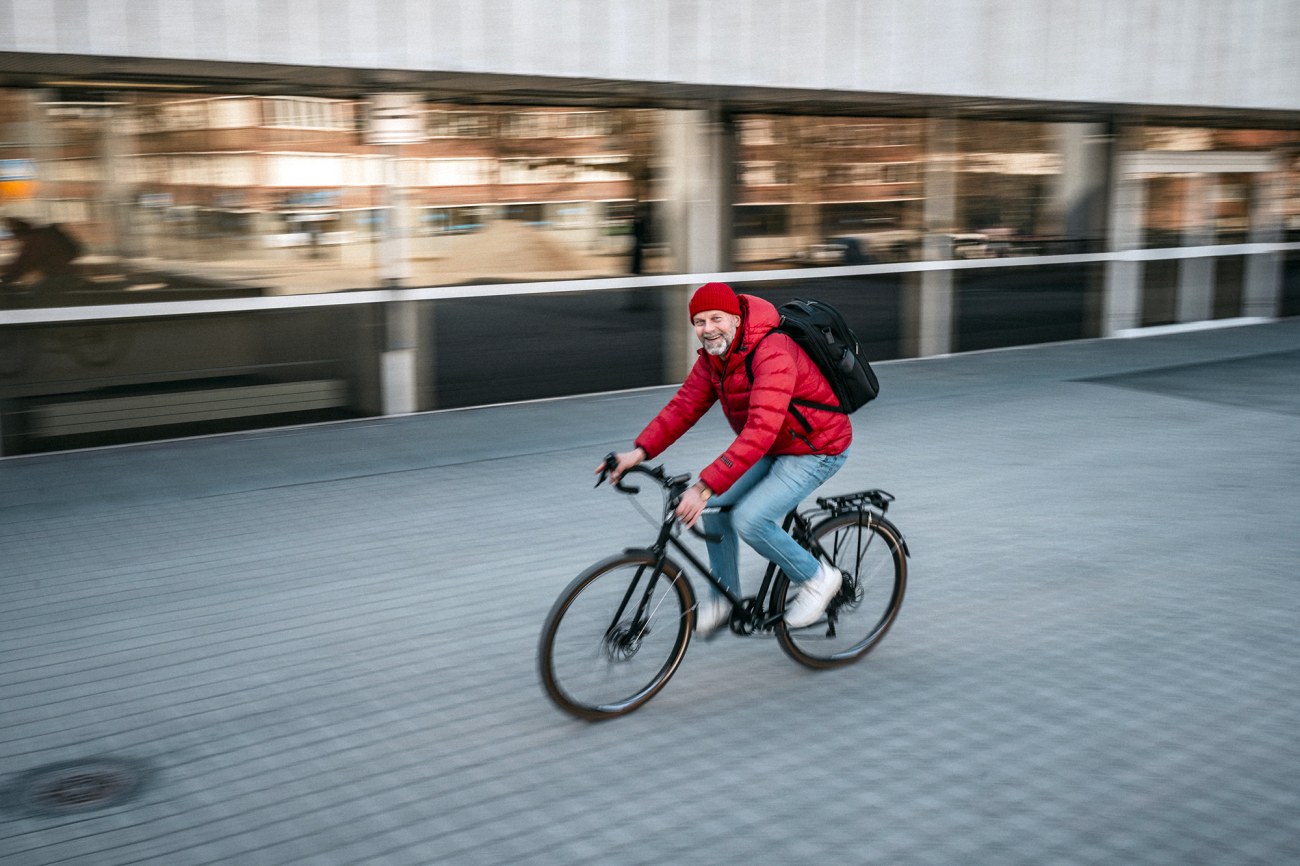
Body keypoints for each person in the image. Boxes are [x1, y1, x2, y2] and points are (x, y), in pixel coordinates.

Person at [602, 281, 852, 635]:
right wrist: (638, 452)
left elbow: (761, 429)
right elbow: (683, 407)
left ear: (735, 318)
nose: (708, 329)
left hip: (817, 447)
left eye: (716, 318)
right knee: (716, 508)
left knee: (751, 520)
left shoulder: (772, 350)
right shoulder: (714, 360)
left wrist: (703, 486)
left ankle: (819, 578)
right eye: (699, 322)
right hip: (776, 445)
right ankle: (724, 597)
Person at [0, 217, 83, 304]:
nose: (17, 239)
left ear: (18, 232)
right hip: (64, 276)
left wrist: (5, 280)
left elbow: (22, 265)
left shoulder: (35, 241)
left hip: (56, 279)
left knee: (33, 300)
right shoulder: (45, 236)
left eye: (15, 235)